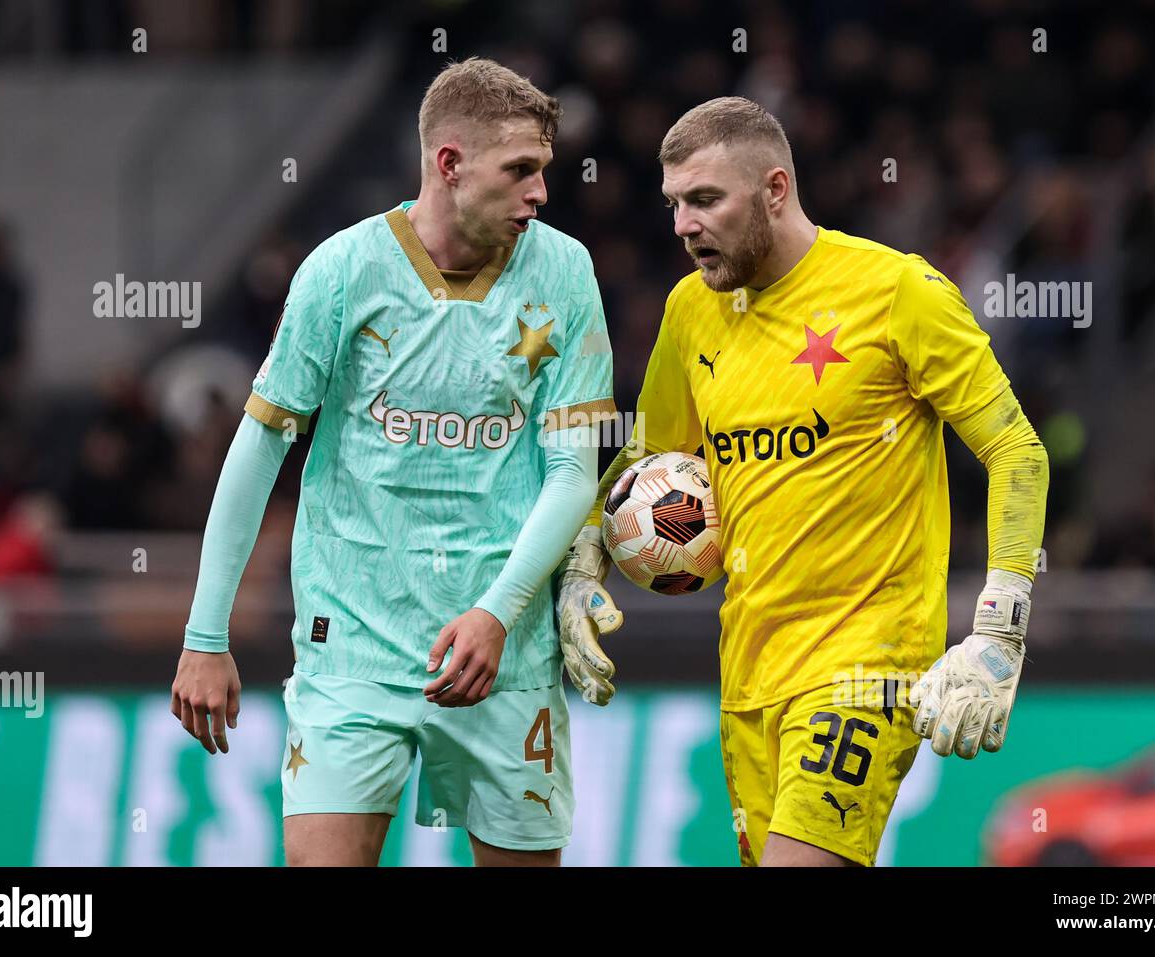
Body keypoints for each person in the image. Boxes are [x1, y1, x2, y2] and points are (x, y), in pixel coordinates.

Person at [557, 97, 1048, 867]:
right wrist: (584, 559)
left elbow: (1018, 450)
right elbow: (642, 461)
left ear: (775, 189)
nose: (683, 224)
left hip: (866, 664)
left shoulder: (896, 292)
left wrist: (998, 629)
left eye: (706, 200)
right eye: (675, 204)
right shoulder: (692, 311)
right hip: (749, 674)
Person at [172, 58, 615, 866]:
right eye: (520, 171)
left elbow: (571, 472)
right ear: (449, 164)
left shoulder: (565, 272)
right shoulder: (341, 272)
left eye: (544, 171)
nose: (540, 193)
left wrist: (498, 611)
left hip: (503, 657)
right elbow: (259, 444)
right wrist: (206, 633)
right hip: (353, 652)